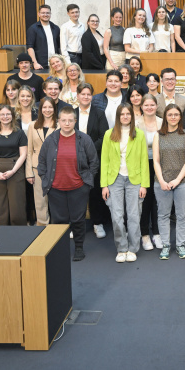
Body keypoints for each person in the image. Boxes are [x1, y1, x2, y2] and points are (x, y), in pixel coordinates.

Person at [36, 107, 98, 260]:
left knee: (78, 220)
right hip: (55, 189)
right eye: (63, 120)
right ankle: (61, 249)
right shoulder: (51, 140)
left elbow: (94, 162)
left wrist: (86, 184)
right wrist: (45, 178)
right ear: (58, 121)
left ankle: (79, 248)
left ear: (75, 121)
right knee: (58, 221)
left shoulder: (84, 139)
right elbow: (42, 161)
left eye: (70, 120)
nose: (67, 123)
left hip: (79, 188)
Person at [101, 104, 149, 263]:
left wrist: (144, 185)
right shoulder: (109, 134)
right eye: (122, 114)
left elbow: (144, 160)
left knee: (134, 216)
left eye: (128, 114)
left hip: (134, 180)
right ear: (118, 117)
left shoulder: (139, 134)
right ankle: (121, 248)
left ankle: (133, 248)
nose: (125, 116)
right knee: (116, 216)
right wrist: (104, 185)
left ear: (132, 116)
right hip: (114, 179)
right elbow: (104, 161)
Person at [153, 104, 185, 259]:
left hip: (184, 181)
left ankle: (180, 245)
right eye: (170, 114)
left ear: (180, 117)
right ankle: (165, 245)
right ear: (165, 117)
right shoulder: (158, 135)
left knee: (182, 215)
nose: (173, 117)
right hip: (162, 182)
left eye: (176, 114)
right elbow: (156, 161)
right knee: (163, 215)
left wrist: (177, 180)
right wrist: (162, 181)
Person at [74, 83, 108, 239]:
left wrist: (88, 151)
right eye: (83, 94)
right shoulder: (71, 113)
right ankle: (77, 225)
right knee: (77, 194)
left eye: (88, 94)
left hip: (94, 159)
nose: (86, 97)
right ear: (78, 96)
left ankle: (97, 223)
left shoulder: (99, 113)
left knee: (95, 194)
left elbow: (104, 136)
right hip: (74, 160)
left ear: (92, 96)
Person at [0, 105, 28, 226]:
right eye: (2, 114)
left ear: (12, 116)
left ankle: (19, 231)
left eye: (8, 114)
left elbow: (23, 154)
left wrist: (12, 171)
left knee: (16, 203)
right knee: (0, 204)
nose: (5, 117)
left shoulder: (19, 133)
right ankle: (2, 231)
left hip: (16, 170)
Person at [136, 94, 163, 251]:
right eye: (146, 105)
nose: (149, 107)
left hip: (160, 165)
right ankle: (145, 234)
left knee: (158, 199)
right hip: (142, 165)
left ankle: (157, 233)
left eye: (152, 105)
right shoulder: (136, 123)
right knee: (145, 200)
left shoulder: (162, 122)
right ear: (141, 107)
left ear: (156, 106)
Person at [26, 98, 57, 226]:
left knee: (57, 198)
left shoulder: (60, 124)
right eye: (44, 107)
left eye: (50, 107)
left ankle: (58, 226)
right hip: (37, 167)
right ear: (40, 109)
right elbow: (29, 150)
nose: (47, 110)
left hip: (56, 167)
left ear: (54, 109)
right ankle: (42, 225)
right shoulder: (32, 125)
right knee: (40, 199)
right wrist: (29, 172)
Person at [26, 4, 61, 70]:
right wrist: (35, 63)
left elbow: (59, 47)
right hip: (40, 65)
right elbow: (30, 47)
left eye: (47, 13)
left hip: (55, 64)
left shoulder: (56, 28)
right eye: (43, 13)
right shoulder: (33, 29)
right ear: (39, 14)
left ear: (50, 14)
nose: (45, 15)